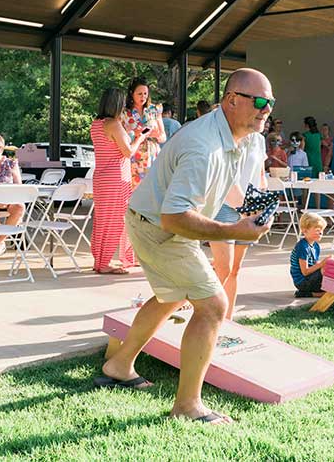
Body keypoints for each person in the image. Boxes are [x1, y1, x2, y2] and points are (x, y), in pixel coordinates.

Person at [99, 68, 273, 425]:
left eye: (270, 103)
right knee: (212, 306)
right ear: (231, 100)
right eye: (258, 102)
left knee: (171, 296)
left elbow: (224, 186)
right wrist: (234, 230)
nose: (265, 109)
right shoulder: (203, 146)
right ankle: (187, 405)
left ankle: (118, 365)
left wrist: (248, 211)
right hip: (157, 226)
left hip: (159, 222)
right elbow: (174, 218)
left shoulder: (235, 137)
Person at [210, 131, 267, 319]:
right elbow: (225, 179)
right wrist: (248, 208)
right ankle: (202, 316)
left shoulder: (259, 140)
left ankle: (227, 321)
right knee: (223, 269)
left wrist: (263, 203)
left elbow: (260, 175)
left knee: (234, 269)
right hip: (225, 206)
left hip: (249, 208)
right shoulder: (227, 136)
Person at [90, 88, 146, 274]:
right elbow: (128, 152)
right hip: (116, 178)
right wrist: (140, 138)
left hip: (101, 177)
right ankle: (106, 263)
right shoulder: (114, 124)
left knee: (102, 220)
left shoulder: (96, 124)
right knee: (116, 221)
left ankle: (99, 260)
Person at [121, 77, 166, 189]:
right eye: (139, 93)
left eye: (145, 93)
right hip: (134, 156)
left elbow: (163, 137)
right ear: (132, 94)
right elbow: (120, 136)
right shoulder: (124, 112)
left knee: (152, 191)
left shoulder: (155, 110)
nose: (143, 97)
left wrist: (156, 135)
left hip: (152, 155)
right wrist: (132, 133)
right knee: (133, 191)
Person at [290, 213, 331, 298]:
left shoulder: (316, 246)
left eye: (322, 230)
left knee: (329, 268)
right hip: (302, 282)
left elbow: (314, 264)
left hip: (310, 278)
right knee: (324, 270)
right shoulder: (302, 247)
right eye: (317, 230)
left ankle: (323, 291)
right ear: (305, 231)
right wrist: (322, 264)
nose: (320, 233)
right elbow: (305, 272)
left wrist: (328, 263)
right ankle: (309, 293)